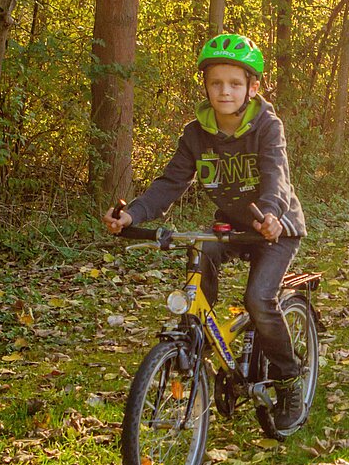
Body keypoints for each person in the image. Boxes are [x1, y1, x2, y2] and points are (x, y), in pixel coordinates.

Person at [101, 33, 309, 429]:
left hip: (275, 228)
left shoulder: (267, 126)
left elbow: (276, 178)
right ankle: (201, 351)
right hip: (230, 229)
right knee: (199, 278)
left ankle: (288, 380)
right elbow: (170, 183)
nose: (224, 91)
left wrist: (271, 215)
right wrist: (134, 216)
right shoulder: (196, 133)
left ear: (253, 87)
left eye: (234, 83)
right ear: (206, 87)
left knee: (259, 299)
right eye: (216, 83)